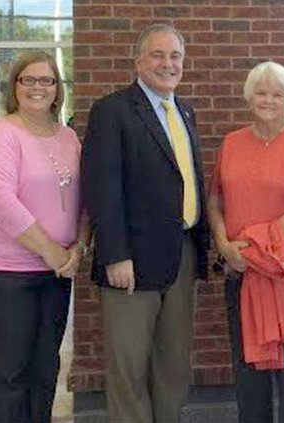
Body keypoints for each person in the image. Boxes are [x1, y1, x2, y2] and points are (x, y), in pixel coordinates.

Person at [81, 23, 209, 423]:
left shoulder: (185, 111)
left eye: (175, 56)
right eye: (158, 54)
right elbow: (102, 188)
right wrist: (115, 255)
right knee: (129, 367)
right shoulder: (112, 111)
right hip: (130, 262)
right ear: (138, 60)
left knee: (173, 365)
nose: (167, 64)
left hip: (181, 254)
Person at [207, 61, 284, 423]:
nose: (268, 100)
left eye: (277, 93)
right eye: (261, 92)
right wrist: (225, 247)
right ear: (249, 96)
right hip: (239, 269)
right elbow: (215, 201)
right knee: (248, 365)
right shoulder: (232, 142)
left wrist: (254, 253)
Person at [0, 51, 88, 423]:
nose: (38, 87)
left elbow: (82, 200)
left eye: (47, 80)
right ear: (15, 87)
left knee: (45, 372)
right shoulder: (3, 133)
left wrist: (78, 247)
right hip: (8, 275)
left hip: (55, 275)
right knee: (8, 375)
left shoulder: (69, 137)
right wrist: (53, 253)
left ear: (58, 89)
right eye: (29, 80)